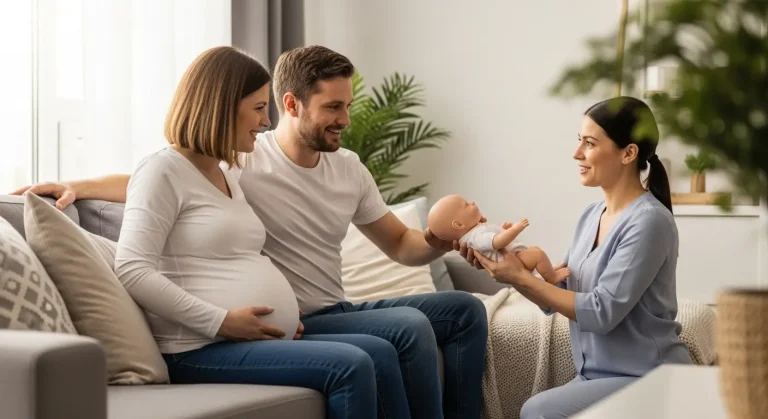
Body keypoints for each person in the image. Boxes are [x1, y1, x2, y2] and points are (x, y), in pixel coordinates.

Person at [12, 45, 488, 419]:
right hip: (201, 342)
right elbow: (144, 206)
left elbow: (400, 244)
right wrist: (77, 184)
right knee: (367, 355)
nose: (264, 123)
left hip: (282, 324)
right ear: (284, 104)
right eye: (259, 109)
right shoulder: (226, 163)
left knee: (449, 316)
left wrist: (437, 240)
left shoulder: (228, 173)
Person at [459, 96, 692, 419]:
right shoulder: (591, 215)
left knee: (538, 412)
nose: (577, 153)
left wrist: (521, 279)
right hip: (597, 376)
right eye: (579, 141)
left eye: (590, 143)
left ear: (628, 153)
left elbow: (600, 312)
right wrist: (507, 264)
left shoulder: (649, 221)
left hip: (646, 376)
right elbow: (558, 292)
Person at [427, 193, 571, 284]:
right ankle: (551, 277)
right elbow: (498, 242)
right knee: (537, 253)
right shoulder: (475, 237)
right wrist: (515, 229)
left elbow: (494, 240)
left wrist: (503, 230)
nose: (472, 203)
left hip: (514, 259)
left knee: (535, 252)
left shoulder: (475, 233)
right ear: (458, 224)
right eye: (466, 204)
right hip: (515, 262)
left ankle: (548, 271)